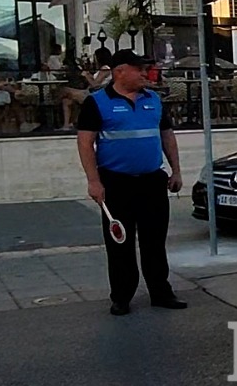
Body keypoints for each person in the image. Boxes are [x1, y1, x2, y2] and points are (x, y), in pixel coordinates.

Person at [75, 49, 188, 316]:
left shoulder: (154, 100)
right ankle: (122, 296)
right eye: (138, 69)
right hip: (116, 183)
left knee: (155, 240)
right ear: (119, 71)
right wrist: (94, 181)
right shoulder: (97, 102)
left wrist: (176, 171)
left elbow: (167, 137)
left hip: (152, 180)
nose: (144, 73)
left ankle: (160, 291)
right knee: (119, 243)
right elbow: (85, 143)